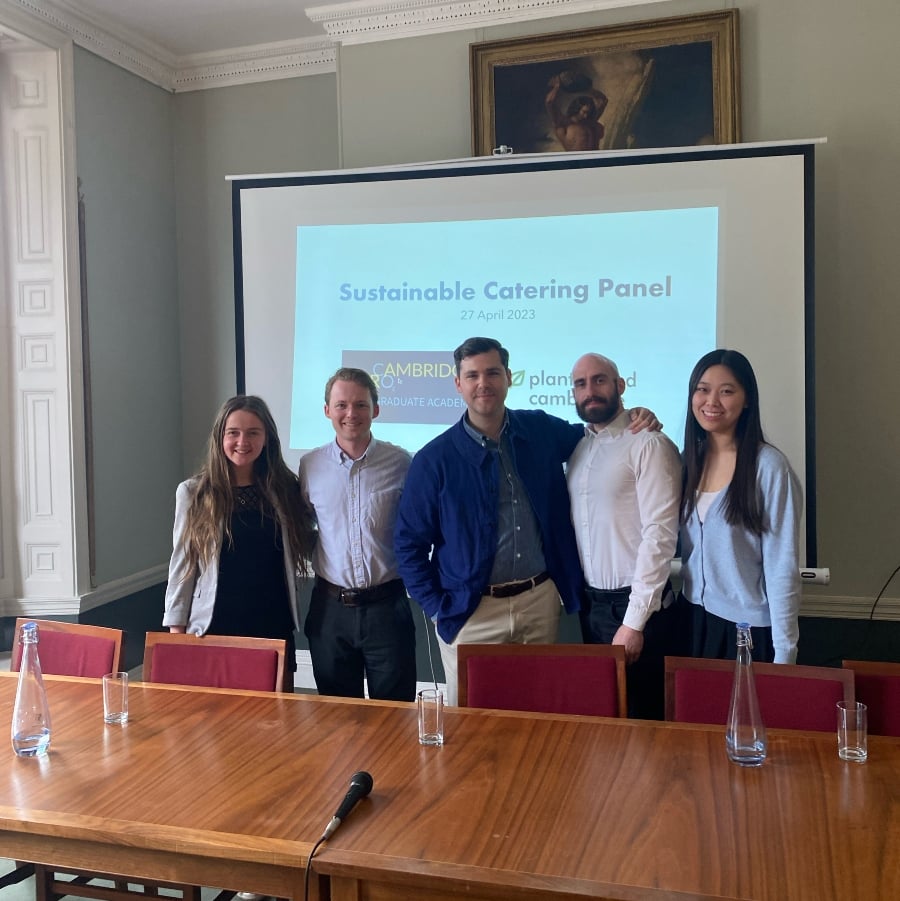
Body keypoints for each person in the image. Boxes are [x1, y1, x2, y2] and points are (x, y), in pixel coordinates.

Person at [394, 337, 658, 705]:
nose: (482, 383)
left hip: (538, 604)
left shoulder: (540, 431)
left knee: (537, 710)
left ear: (508, 377)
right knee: (471, 726)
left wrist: (634, 414)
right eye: (472, 375)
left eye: (492, 372)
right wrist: (438, 608)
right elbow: (408, 545)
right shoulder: (433, 459)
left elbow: (599, 432)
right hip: (470, 612)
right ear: (458, 384)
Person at [163, 395, 315, 678]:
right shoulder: (194, 493)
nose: (242, 441)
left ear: (267, 438)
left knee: (275, 718)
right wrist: (176, 630)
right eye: (233, 432)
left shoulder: (285, 489)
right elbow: (182, 565)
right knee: (215, 718)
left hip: (272, 623)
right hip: (214, 625)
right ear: (220, 437)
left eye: (253, 432)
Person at [567, 353, 681, 719]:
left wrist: (634, 622)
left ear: (620, 386)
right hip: (592, 607)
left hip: (637, 609)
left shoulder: (648, 443)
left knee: (645, 723)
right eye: (580, 384)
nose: (590, 391)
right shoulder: (580, 448)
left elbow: (660, 535)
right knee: (608, 718)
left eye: (599, 380)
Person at [298, 368, 416, 701]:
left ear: (375, 409)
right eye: (341, 405)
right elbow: (304, 525)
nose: (352, 414)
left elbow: (416, 531)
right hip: (329, 611)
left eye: (361, 405)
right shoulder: (310, 466)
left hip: (387, 609)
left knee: (394, 717)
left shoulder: (401, 463)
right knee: (338, 722)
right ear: (327, 411)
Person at [679, 349, 802, 664]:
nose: (712, 401)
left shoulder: (769, 467)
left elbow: (781, 566)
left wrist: (785, 652)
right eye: (703, 389)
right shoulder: (689, 460)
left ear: (747, 400)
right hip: (692, 618)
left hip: (746, 629)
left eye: (727, 391)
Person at [545, 73, 608, 151]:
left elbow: (603, 100)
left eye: (588, 112)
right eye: (584, 112)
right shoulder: (563, 124)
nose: (586, 115)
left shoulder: (590, 120)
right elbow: (549, 102)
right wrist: (556, 86)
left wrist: (587, 89)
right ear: (577, 109)